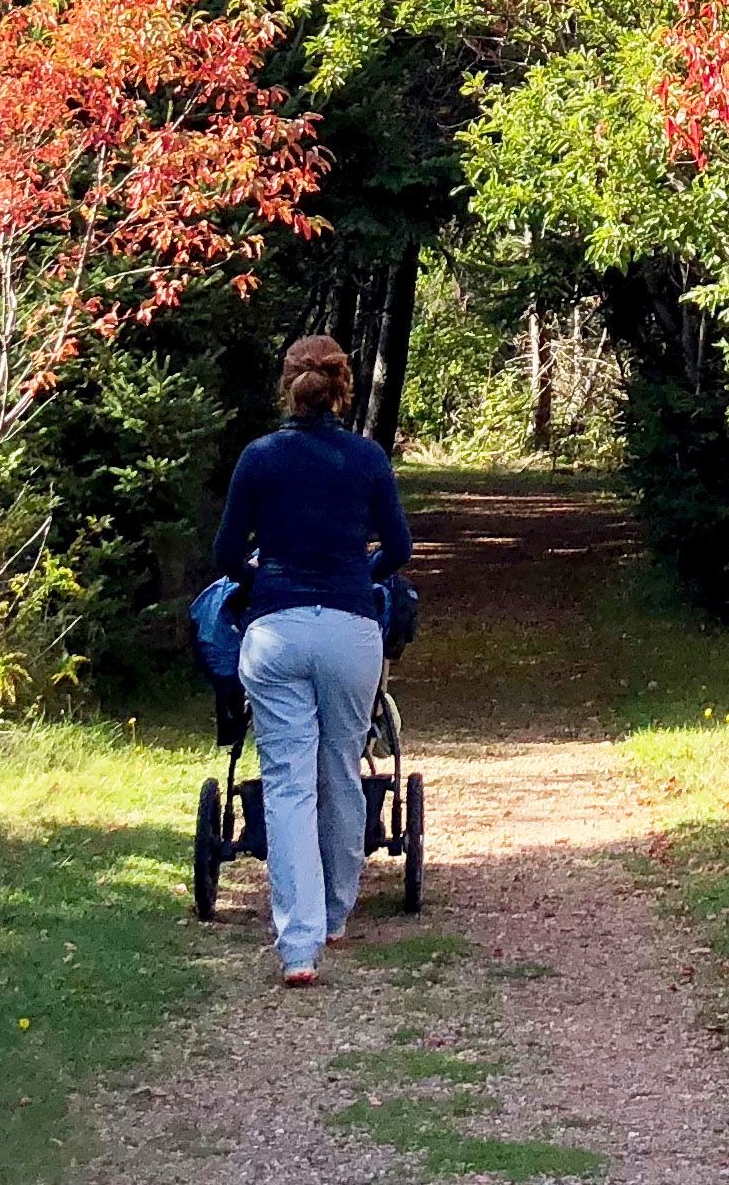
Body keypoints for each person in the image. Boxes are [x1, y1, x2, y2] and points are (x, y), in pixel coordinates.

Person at [206, 334, 413, 984]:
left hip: (276, 632)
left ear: (287, 383)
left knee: (290, 784)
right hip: (350, 629)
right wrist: (358, 572)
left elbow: (224, 551)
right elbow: (399, 547)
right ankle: (334, 914)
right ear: (343, 385)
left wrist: (259, 581)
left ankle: (298, 948)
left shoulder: (260, 457)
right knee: (341, 770)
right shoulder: (366, 457)